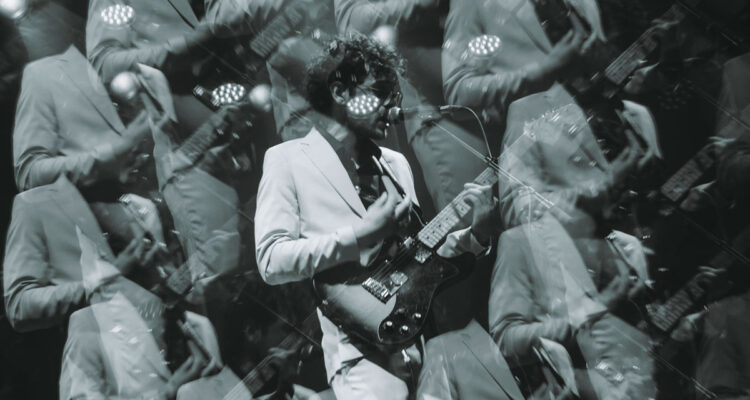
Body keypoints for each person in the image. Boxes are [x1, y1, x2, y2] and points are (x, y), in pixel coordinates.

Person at [254, 35, 498, 399]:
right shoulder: (287, 159)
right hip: (359, 358)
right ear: (340, 91)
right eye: (380, 93)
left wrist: (476, 234)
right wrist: (358, 237)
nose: (392, 107)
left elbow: (419, 263)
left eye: (395, 96)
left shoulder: (395, 165)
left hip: (423, 350)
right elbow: (271, 260)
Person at [12, 45, 153, 193]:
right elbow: (29, 175)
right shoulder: (43, 74)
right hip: (114, 200)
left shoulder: (147, 56)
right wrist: (113, 151)